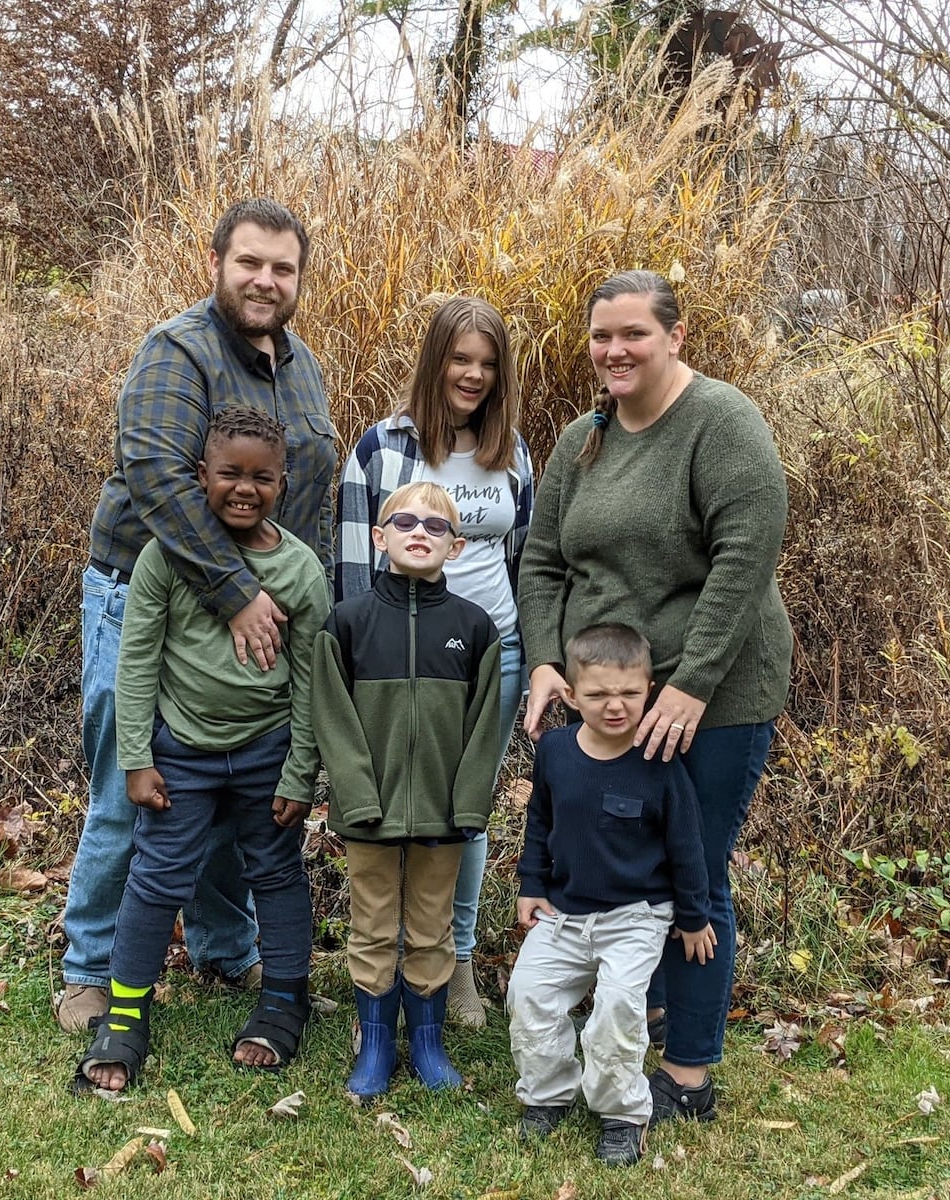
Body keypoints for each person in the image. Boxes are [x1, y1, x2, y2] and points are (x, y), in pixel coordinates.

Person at [58, 199, 338, 1035]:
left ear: (298, 279)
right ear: (216, 261)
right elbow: (159, 478)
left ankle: (224, 947)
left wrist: (300, 598)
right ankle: (90, 969)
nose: (265, 279)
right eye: (250, 262)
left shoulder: (302, 368)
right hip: (153, 599)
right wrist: (236, 593)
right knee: (134, 787)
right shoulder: (177, 351)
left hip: (259, 608)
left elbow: (307, 496)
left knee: (236, 788)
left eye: (282, 268)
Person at [518, 269, 791, 1124]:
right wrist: (545, 661)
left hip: (713, 696)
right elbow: (544, 561)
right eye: (602, 336)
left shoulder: (721, 423)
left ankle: (688, 1073)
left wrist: (693, 685)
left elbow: (748, 555)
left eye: (634, 333)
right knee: (624, 874)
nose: (615, 350)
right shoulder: (582, 439)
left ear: (675, 336)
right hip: (608, 699)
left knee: (690, 875)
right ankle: (636, 1022)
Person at [74, 408, 329, 1091]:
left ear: (283, 482)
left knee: (274, 873)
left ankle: (282, 1001)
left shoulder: (301, 571)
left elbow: (311, 683)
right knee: (156, 877)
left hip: (265, 750)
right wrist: (136, 758)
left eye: (261, 478)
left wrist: (301, 771)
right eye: (228, 474)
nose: (244, 489)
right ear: (200, 477)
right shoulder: (166, 557)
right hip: (180, 750)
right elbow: (136, 663)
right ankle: (125, 1017)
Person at [336, 296, 534, 1027]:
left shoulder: (510, 450)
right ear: (435, 360)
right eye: (461, 359)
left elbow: (526, 561)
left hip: (491, 655)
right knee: (385, 806)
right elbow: (355, 566)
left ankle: (454, 969)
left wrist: (535, 655)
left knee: (464, 809)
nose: (474, 375)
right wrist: (359, 660)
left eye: (487, 364)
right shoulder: (383, 448)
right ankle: (381, 966)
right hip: (393, 659)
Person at [315, 481, 505, 1098]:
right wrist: (357, 796)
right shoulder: (348, 623)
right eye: (404, 522)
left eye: (436, 525)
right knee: (371, 925)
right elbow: (332, 716)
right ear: (378, 538)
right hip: (367, 811)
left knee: (431, 926)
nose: (419, 532)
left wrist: (468, 804)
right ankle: (375, 1046)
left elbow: (484, 729)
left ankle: (426, 1044)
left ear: (455, 546)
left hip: (444, 814)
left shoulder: (474, 630)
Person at [506, 623, 713, 1167]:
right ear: (571, 695)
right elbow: (539, 820)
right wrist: (531, 884)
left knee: (620, 1009)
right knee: (528, 995)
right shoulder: (554, 750)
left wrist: (693, 916)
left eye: (629, 693)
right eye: (597, 695)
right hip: (564, 912)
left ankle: (623, 1114)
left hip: (636, 915)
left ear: (651, 689)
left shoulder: (660, 762)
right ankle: (548, 1093)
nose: (614, 706)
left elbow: (687, 846)